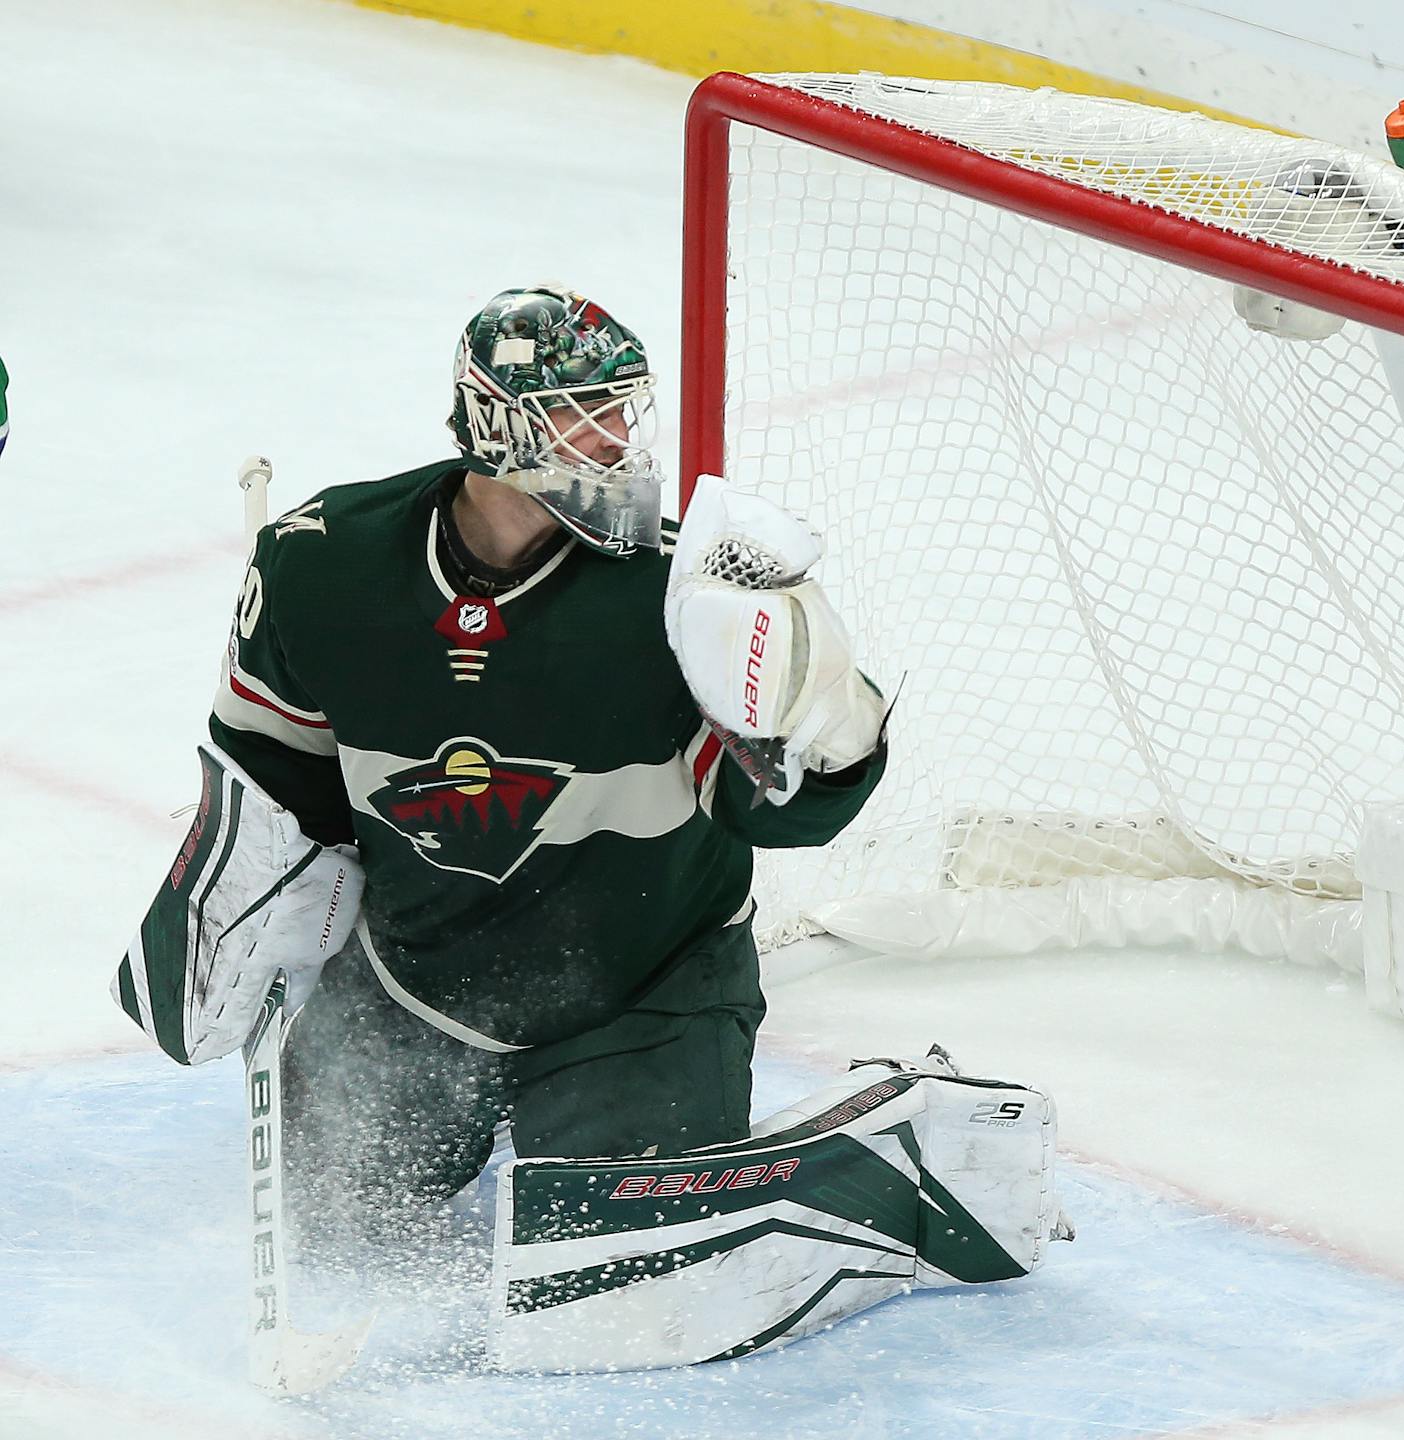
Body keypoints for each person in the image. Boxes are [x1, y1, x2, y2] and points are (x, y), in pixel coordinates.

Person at [204, 285, 891, 1245]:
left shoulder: (679, 592)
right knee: (335, 1212)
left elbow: (778, 818)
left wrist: (824, 733)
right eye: (587, 413)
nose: (620, 440)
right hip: (420, 976)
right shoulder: (323, 565)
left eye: (625, 410)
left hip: (641, 991)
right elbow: (271, 781)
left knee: (605, 1250)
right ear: (497, 424)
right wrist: (245, 911)